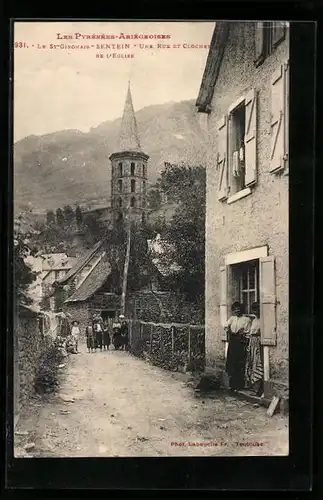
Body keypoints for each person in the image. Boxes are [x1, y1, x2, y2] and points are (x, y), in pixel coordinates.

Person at [225, 302, 251, 391]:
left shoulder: (246, 319)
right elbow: (225, 326)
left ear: (241, 309)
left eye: (238, 309)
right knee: (231, 362)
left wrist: (241, 333)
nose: (237, 310)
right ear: (233, 310)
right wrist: (230, 331)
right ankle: (232, 385)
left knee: (239, 363)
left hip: (240, 343)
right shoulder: (232, 318)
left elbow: (247, 332)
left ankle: (239, 385)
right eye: (235, 309)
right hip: (232, 343)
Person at [245, 302, 264, 396]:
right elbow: (250, 332)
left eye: (257, 310)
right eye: (254, 310)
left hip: (258, 343)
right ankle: (254, 388)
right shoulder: (254, 320)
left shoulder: (263, 320)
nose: (255, 312)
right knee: (252, 364)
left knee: (258, 363)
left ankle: (259, 390)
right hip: (252, 343)